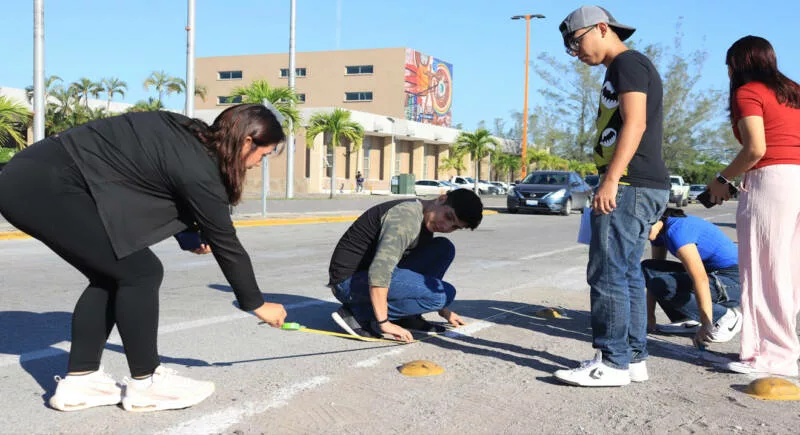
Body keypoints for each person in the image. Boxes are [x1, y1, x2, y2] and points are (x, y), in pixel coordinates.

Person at [0, 104, 289, 412]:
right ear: (247, 142)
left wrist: (189, 236)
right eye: (264, 154)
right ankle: (146, 381)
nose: (259, 163)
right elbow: (226, 242)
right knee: (141, 272)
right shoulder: (199, 169)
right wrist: (256, 303)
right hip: (46, 185)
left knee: (112, 274)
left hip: (32, 178)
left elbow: (157, 181)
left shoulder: (187, 135)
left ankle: (81, 381)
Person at [553, 5, 669, 387]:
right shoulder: (624, 68)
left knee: (606, 273)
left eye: (576, 41)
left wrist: (611, 180)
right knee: (626, 272)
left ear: (601, 28)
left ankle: (613, 362)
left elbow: (635, 122)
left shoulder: (627, 64)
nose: (575, 52)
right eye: (570, 46)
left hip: (630, 184)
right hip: (640, 185)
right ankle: (633, 359)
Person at [706, 36, 800, 377]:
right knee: (789, 272)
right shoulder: (793, 91)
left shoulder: (749, 92)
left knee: (763, 271)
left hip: (771, 180)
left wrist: (722, 180)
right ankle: (785, 349)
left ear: (738, 63)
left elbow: (755, 148)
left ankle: (772, 355)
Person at [327, 189, 483, 342]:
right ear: (441, 199)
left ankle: (408, 317)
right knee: (444, 294)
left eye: (454, 227)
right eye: (448, 217)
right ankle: (359, 315)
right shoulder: (406, 218)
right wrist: (384, 323)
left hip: (365, 276)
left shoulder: (425, 219)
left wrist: (444, 311)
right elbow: (379, 271)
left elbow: (424, 279)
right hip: (348, 282)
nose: (445, 227)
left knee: (443, 248)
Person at [641, 208, 742, 347]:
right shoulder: (658, 232)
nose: (637, 234)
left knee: (665, 284)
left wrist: (706, 323)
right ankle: (689, 318)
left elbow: (700, 279)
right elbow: (652, 275)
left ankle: (725, 316)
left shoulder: (677, 231)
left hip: (735, 279)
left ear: (654, 218)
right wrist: (650, 318)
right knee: (648, 267)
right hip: (713, 274)